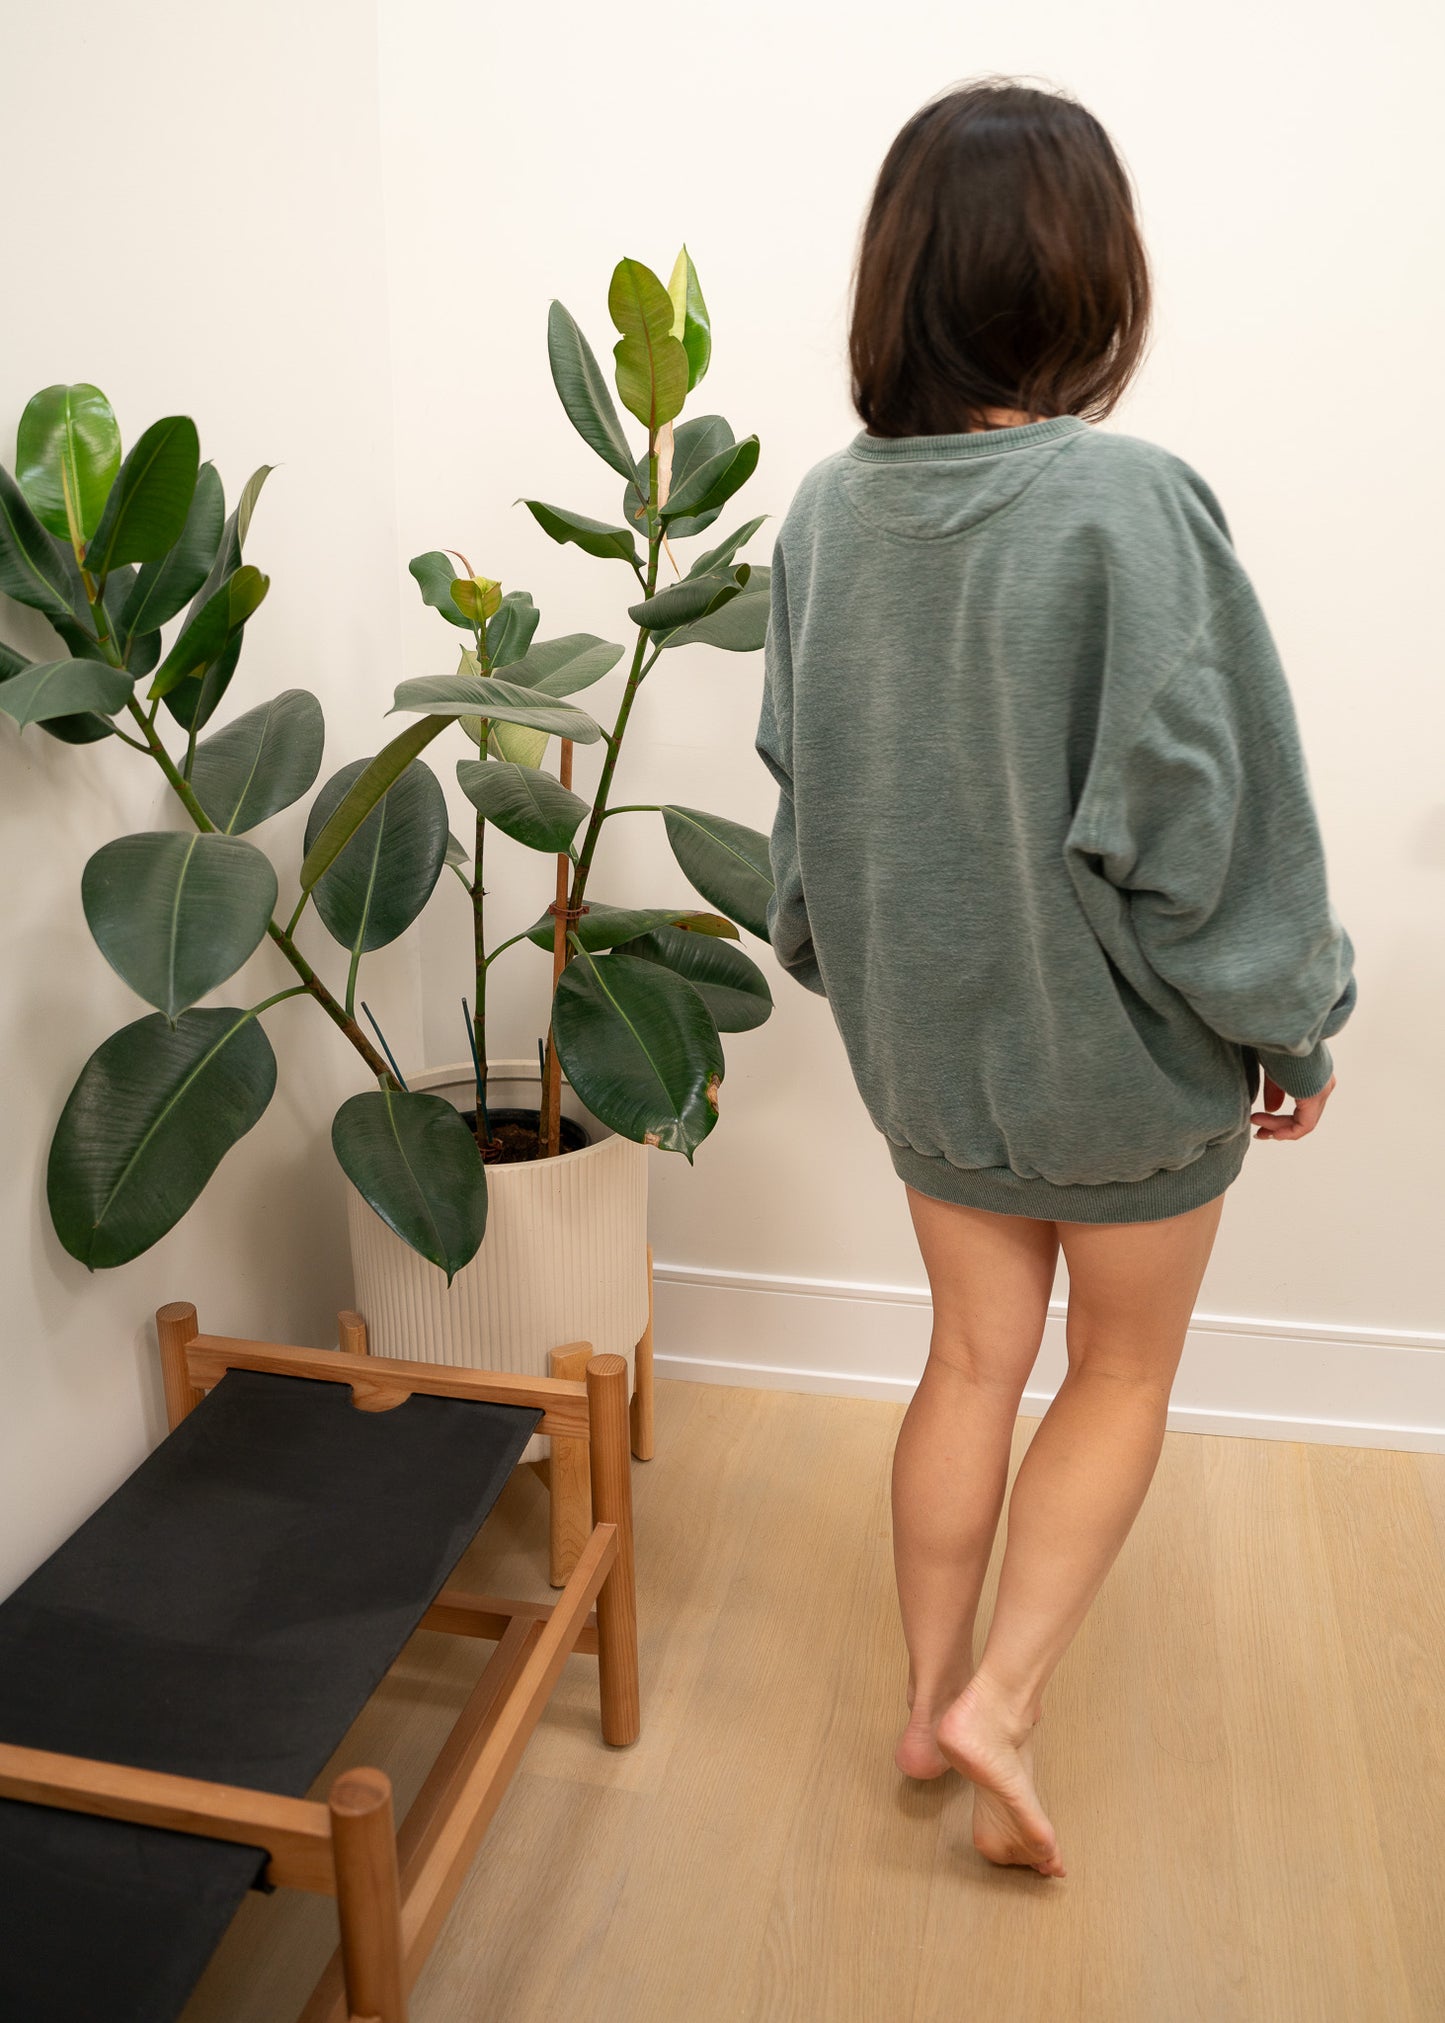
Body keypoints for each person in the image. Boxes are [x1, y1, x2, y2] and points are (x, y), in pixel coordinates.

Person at [753, 75, 1357, 1881]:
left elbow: (805, 789)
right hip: (1116, 1060)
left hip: (930, 1049)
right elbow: (1212, 809)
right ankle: (1003, 1695)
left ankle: (924, 1697)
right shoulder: (1127, 503)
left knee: (964, 1361)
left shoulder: (822, 515)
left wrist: (844, 968)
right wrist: (1288, 1016)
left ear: (898, 280)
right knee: (1113, 1376)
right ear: (1093, 280)